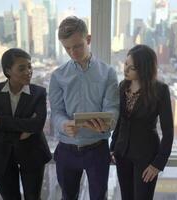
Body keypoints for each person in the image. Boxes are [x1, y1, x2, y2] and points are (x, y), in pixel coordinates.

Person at [49, 16, 119, 200]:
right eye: (67, 48)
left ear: (88, 39)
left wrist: (107, 124)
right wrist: (65, 124)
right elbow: (56, 112)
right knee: (68, 197)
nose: (72, 52)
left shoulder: (108, 73)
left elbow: (112, 108)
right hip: (66, 149)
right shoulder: (57, 76)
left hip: (97, 149)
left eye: (77, 46)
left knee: (98, 197)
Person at [0, 48, 52, 200]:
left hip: (32, 152)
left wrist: (1, 121)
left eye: (29, 66)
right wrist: (20, 132)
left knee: (33, 197)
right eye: (22, 68)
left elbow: (37, 125)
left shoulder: (39, 93)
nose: (28, 71)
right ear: (8, 70)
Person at [110, 44, 174, 200]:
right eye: (125, 64)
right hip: (122, 153)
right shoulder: (122, 86)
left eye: (131, 68)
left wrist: (158, 164)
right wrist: (113, 146)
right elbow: (120, 121)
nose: (125, 70)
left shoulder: (160, 90)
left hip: (146, 157)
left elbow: (168, 131)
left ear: (143, 69)